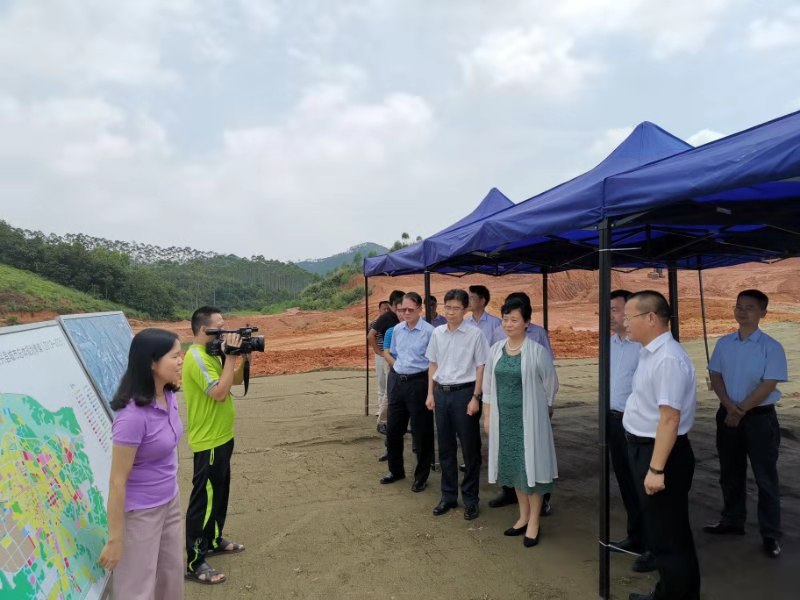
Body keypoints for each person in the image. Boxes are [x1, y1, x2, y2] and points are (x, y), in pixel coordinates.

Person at [622, 291, 700, 600]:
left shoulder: (667, 358)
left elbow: (669, 419)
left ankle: (677, 595)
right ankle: (668, 592)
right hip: (647, 447)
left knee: (670, 533)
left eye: (629, 317)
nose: (624, 323)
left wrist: (656, 469)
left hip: (661, 452)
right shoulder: (650, 353)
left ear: (651, 318)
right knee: (661, 529)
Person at [98, 329, 185, 599]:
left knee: (171, 576)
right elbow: (117, 481)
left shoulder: (169, 396)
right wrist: (115, 538)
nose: (181, 361)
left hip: (170, 500)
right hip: (140, 513)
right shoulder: (132, 417)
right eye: (175, 356)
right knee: (137, 587)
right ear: (152, 363)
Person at [704, 289, 787, 559]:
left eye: (750, 307)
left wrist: (740, 410)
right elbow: (715, 375)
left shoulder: (771, 347)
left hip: (759, 419)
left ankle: (771, 534)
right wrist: (729, 406)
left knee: (765, 477)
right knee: (730, 471)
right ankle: (732, 520)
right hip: (728, 414)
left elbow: (768, 384)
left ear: (763, 313)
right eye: (739, 306)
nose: (742, 312)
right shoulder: (724, 343)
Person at [482, 297, 558, 548]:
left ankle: (534, 521)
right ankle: (523, 516)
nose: (508, 324)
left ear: (527, 322)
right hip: (504, 421)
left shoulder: (536, 351)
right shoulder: (496, 349)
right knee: (515, 467)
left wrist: (542, 411)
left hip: (529, 421)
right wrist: (487, 416)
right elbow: (488, 387)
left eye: (514, 320)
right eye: (505, 319)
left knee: (531, 470)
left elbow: (550, 385)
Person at [183, 306, 248, 585]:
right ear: (203, 329)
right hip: (208, 440)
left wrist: (241, 357)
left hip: (222, 436)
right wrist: (230, 357)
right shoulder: (196, 357)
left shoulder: (212, 353)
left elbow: (234, 380)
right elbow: (220, 393)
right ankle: (195, 561)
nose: (225, 331)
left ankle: (213, 539)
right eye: (220, 328)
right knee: (204, 500)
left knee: (220, 494)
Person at [425, 289, 489, 520]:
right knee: (445, 448)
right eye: (448, 307)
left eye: (456, 308)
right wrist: (430, 393)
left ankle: (471, 499)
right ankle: (448, 496)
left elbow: (481, 366)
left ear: (465, 309)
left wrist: (475, 397)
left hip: (465, 395)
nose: (451, 312)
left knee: (470, 449)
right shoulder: (437, 333)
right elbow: (433, 364)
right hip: (442, 394)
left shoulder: (475, 334)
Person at [607, 290, 655, 573]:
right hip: (614, 420)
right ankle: (635, 535)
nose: (611, 315)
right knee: (626, 481)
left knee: (643, 484)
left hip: (637, 423)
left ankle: (653, 545)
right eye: (608, 310)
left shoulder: (643, 347)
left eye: (615, 310)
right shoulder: (610, 345)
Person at [380, 292, 435, 492]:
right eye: (403, 309)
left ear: (420, 309)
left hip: (418, 382)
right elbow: (393, 352)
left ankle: (421, 476)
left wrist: (430, 390)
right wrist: (397, 367)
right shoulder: (397, 329)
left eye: (411, 309)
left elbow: (434, 362)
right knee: (393, 430)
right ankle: (396, 470)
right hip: (397, 382)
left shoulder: (429, 332)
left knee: (422, 433)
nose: (406, 313)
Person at [368, 290, 405, 434]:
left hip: (403, 359)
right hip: (390, 359)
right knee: (390, 389)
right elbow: (371, 335)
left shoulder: (405, 317)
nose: (402, 309)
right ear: (393, 305)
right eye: (399, 306)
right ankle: (382, 421)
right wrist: (380, 352)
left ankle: (398, 421)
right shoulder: (386, 318)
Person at [367, 300, 391, 420]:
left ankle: (388, 409)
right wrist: (378, 351)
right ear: (379, 310)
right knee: (381, 380)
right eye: (384, 309)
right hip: (380, 355)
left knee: (389, 380)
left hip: (390, 355)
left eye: (388, 309)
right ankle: (381, 408)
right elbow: (369, 338)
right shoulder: (374, 323)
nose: (386, 311)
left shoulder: (392, 322)